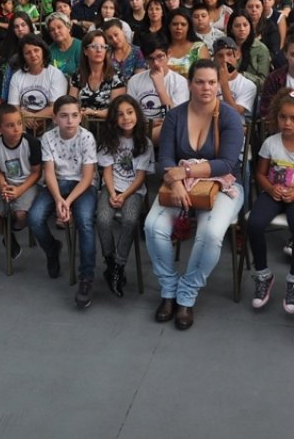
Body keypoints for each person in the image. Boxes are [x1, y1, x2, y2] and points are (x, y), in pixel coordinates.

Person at [144, 59, 245, 330]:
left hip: (224, 184)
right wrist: (174, 182)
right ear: (189, 84)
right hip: (179, 183)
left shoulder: (229, 117)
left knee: (211, 235)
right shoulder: (175, 116)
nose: (206, 87)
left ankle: (186, 294)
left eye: (212, 82)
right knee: (153, 226)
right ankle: (168, 289)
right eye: (200, 81)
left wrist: (184, 172)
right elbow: (165, 156)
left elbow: (227, 163)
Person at [247, 89, 294, 313]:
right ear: (275, 117)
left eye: (293, 118)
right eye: (282, 117)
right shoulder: (271, 143)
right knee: (254, 223)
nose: (287, 123)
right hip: (274, 193)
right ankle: (263, 276)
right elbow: (260, 174)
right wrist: (271, 189)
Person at [26, 95, 99, 308]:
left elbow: (87, 177)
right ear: (54, 117)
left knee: (85, 222)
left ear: (81, 116)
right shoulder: (47, 138)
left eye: (75, 116)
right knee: (35, 217)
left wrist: (68, 202)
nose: (70, 121)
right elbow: (48, 173)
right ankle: (52, 249)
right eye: (64, 116)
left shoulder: (87, 138)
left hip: (82, 186)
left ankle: (86, 277)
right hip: (56, 184)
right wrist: (59, 199)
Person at [95, 94, 154, 297]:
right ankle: (110, 261)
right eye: (120, 115)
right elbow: (107, 171)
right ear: (114, 119)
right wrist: (112, 193)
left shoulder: (144, 143)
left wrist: (124, 195)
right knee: (102, 219)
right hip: (112, 187)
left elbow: (140, 177)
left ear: (136, 114)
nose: (126, 118)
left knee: (130, 220)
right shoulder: (109, 140)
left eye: (130, 112)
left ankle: (118, 268)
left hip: (133, 190)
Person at [0, 103, 43, 268]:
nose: (16, 129)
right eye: (10, 125)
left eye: (19, 123)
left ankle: (11, 228)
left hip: (26, 183)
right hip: (4, 181)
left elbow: (37, 173)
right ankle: (8, 237)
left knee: (22, 215)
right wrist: (2, 185)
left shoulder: (32, 143)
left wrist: (20, 190)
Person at [127, 33, 189, 142]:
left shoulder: (180, 82)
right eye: (150, 59)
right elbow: (129, 112)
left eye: (160, 57)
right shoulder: (135, 80)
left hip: (167, 130)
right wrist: (147, 124)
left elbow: (177, 118)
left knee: (171, 128)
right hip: (140, 129)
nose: (156, 63)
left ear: (168, 54)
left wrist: (160, 88)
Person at [7, 34, 68, 124]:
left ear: (43, 51)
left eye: (36, 50)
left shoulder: (55, 74)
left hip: (50, 124)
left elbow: (55, 107)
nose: (33, 55)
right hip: (22, 124)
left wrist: (31, 118)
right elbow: (13, 107)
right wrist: (25, 118)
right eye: (28, 53)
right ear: (23, 56)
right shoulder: (17, 76)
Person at [68, 29, 125, 120]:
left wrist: (94, 113)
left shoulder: (116, 76)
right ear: (85, 51)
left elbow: (117, 110)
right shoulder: (77, 75)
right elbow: (70, 105)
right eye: (94, 46)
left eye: (103, 46)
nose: (99, 50)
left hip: (108, 126)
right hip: (81, 125)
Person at [213, 36, 257, 118]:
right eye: (220, 56)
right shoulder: (208, 82)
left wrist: (224, 83)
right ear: (214, 59)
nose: (225, 60)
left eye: (229, 54)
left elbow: (234, 113)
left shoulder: (248, 85)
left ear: (237, 55)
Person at [166, 10, 209, 78]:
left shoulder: (198, 47)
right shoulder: (161, 47)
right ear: (168, 26)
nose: (179, 27)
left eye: (183, 24)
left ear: (189, 27)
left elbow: (207, 74)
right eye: (175, 24)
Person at [45, 12, 81, 78]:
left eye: (59, 27)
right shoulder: (48, 51)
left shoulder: (80, 47)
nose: (56, 31)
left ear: (68, 27)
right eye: (52, 30)